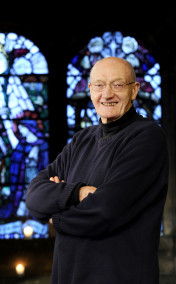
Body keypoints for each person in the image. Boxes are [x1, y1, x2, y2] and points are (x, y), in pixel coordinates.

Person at [26, 57, 168, 284]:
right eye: (99, 85)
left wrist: (56, 216)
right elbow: (33, 196)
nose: (107, 94)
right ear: (90, 90)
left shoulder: (147, 137)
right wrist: (77, 194)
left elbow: (106, 210)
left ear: (134, 90)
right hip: (67, 275)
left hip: (119, 276)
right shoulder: (83, 138)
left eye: (118, 85)